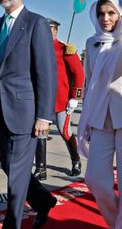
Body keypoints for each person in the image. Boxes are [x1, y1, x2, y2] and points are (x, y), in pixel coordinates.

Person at [0, 0, 57, 229]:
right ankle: (43, 201)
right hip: (0, 111)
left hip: (26, 112)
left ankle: (12, 224)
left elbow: (45, 73)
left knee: (16, 178)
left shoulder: (36, 23)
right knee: (9, 167)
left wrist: (44, 115)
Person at [77, 0, 122, 228]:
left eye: (111, 13)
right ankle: (120, 223)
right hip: (100, 118)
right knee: (94, 178)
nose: (105, 18)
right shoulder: (91, 42)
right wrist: (84, 116)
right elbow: (90, 82)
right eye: (101, 13)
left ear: (121, 13)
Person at [32, 18, 84, 181]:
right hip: (42, 101)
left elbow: (79, 74)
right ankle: (41, 169)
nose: (47, 33)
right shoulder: (36, 49)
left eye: (51, 30)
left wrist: (75, 97)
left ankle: (76, 161)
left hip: (61, 100)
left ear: (56, 31)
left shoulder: (65, 49)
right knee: (40, 132)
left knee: (65, 132)